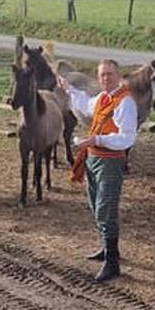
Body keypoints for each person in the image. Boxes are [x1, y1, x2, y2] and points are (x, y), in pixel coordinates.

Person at [58, 59, 137, 283]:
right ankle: (106, 247)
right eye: (102, 75)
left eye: (110, 75)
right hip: (94, 157)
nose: (105, 79)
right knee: (96, 204)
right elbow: (85, 104)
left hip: (110, 161)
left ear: (118, 76)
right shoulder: (103, 98)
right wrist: (69, 89)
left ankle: (112, 262)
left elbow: (126, 138)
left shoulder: (125, 103)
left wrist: (96, 139)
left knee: (105, 208)